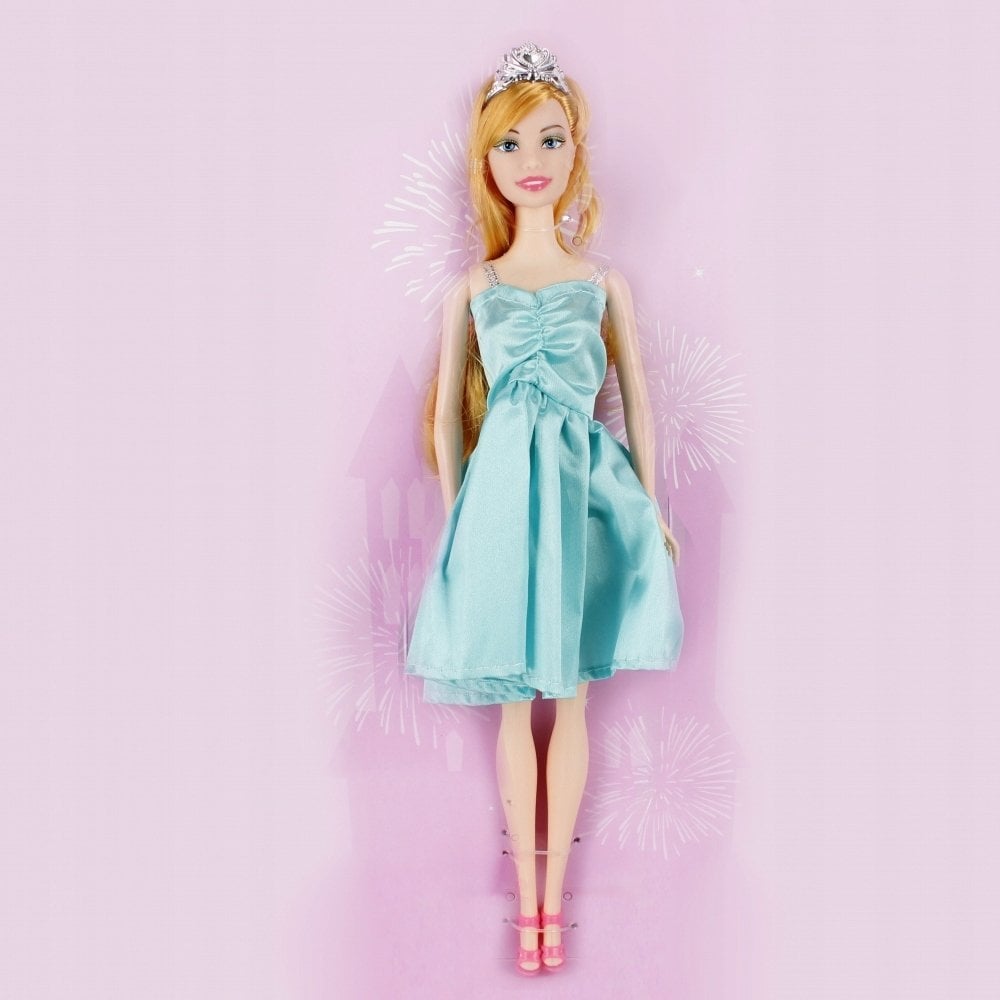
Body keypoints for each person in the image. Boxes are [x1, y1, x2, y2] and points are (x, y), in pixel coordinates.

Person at [404, 41, 684, 975]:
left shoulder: (602, 285)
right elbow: (447, 418)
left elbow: (637, 405)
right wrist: (457, 519)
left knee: (569, 700)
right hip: (497, 509)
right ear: (486, 162)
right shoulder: (474, 289)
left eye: (552, 139)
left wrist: (651, 507)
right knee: (515, 707)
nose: (533, 160)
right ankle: (526, 900)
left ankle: (549, 908)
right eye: (512, 143)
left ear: (576, 153)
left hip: (583, 495)